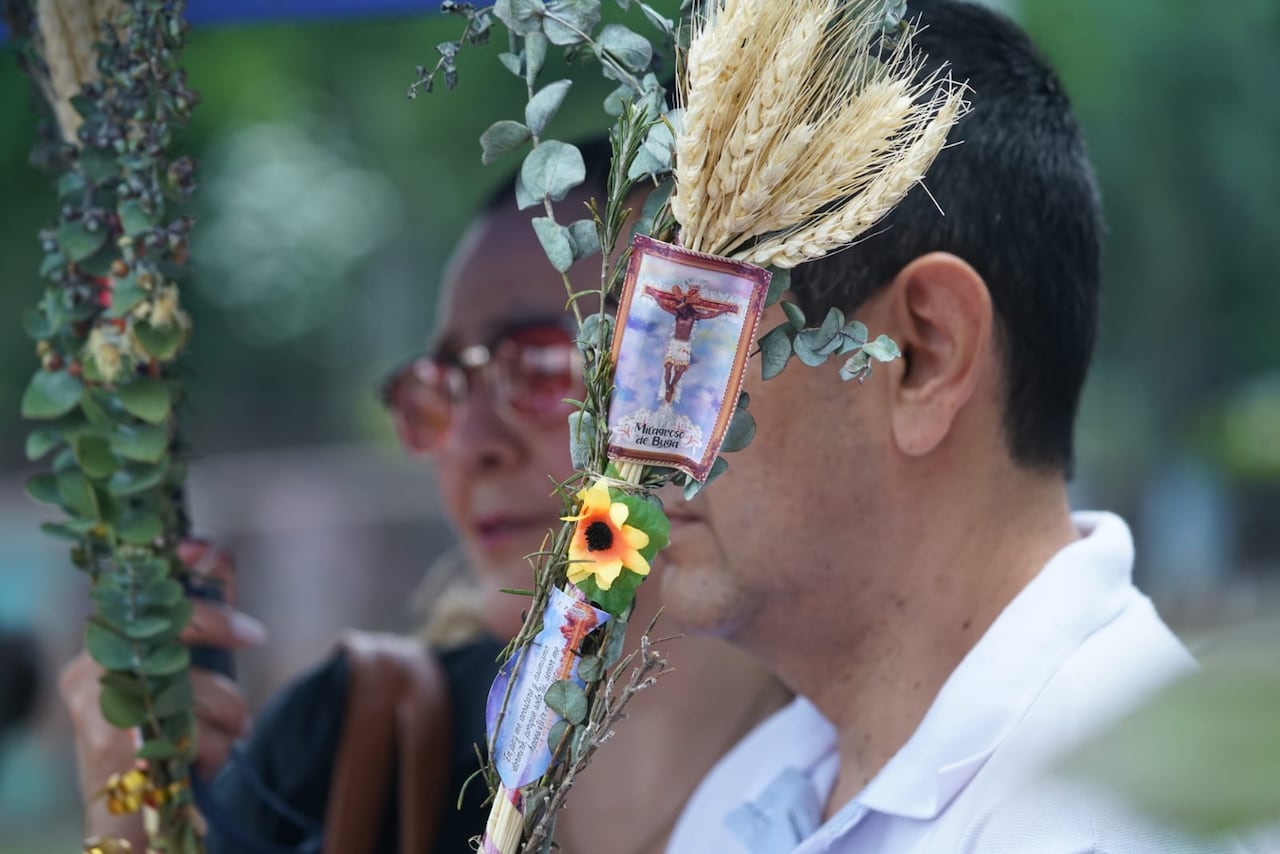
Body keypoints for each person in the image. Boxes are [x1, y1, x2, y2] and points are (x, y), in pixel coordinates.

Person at [59, 147, 789, 852]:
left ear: (707, 381)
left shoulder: (862, 777)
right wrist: (130, 824)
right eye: (436, 391)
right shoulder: (353, 745)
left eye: (541, 363)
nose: (470, 444)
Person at [661, 2, 1245, 852]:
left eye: (700, 329)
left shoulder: (1131, 821)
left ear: (922, 354)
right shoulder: (750, 794)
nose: (641, 420)